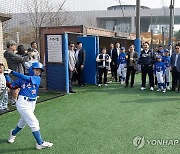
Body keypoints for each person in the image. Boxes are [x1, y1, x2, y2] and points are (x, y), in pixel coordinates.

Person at [5, 62, 53, 150]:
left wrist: (12, 72)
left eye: (39, 71)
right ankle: (40, 143)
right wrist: (6, 75)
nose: (38, 72)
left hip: (32, 103)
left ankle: (13, 133)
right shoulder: (21, 79)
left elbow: (26, 78)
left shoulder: (37, 78)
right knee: (34, 122)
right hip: (23, 103)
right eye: (36, 70)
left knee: (23, 122)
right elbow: (11, 86)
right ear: (31, 69)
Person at [4, 40, 30, 106]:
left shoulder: (11, 53)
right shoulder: (8, 53)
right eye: (14, 45)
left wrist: (25, 55)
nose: (15, 47)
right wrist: (28, 55)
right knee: (16, 87)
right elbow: (21, 59)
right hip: (15, 71)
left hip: (17, 71)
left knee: (18, 87)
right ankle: (13, 101)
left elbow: (19, 57)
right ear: (10, 46)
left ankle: (15, 99)